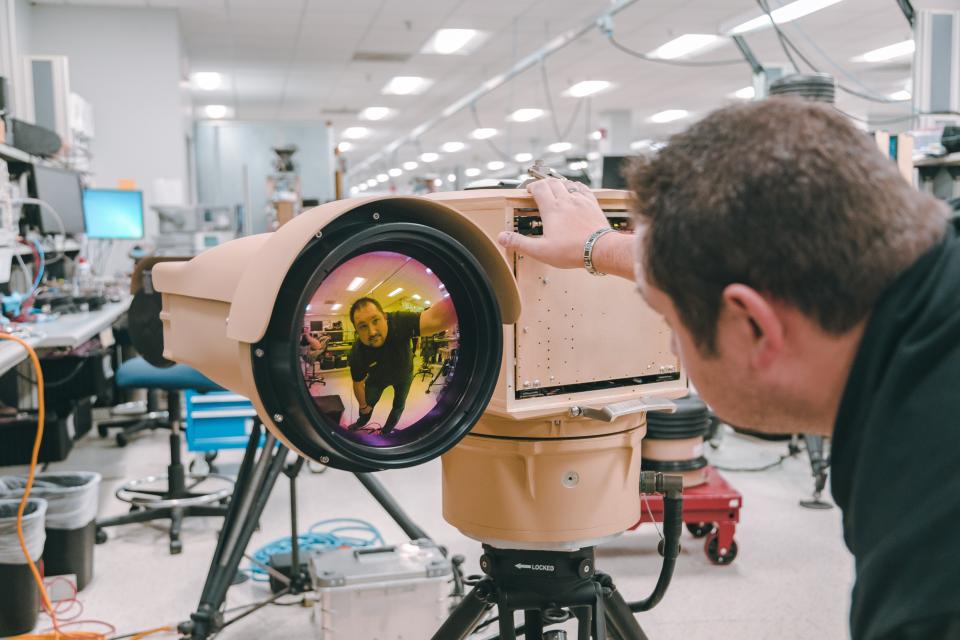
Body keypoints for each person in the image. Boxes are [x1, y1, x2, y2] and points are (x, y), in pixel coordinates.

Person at [497, 98, 960, 640]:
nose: (674, 341)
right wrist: (599, 245)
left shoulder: (929, 578)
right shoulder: (926, 251)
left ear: (754, 328)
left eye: (672, 323)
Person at [347, 295, 456, 434]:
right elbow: (357, 383)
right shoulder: (357, 353)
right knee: (367, 406)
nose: (372, 331)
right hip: (377, 379)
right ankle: (360, 423)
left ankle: (385, 433)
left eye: (376, 320)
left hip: (404, 375)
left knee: (398, 406)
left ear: (385, 317)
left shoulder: (399, 322)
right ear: (357, 330)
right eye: (363, 326)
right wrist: (363, 406)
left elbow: (437, 318)